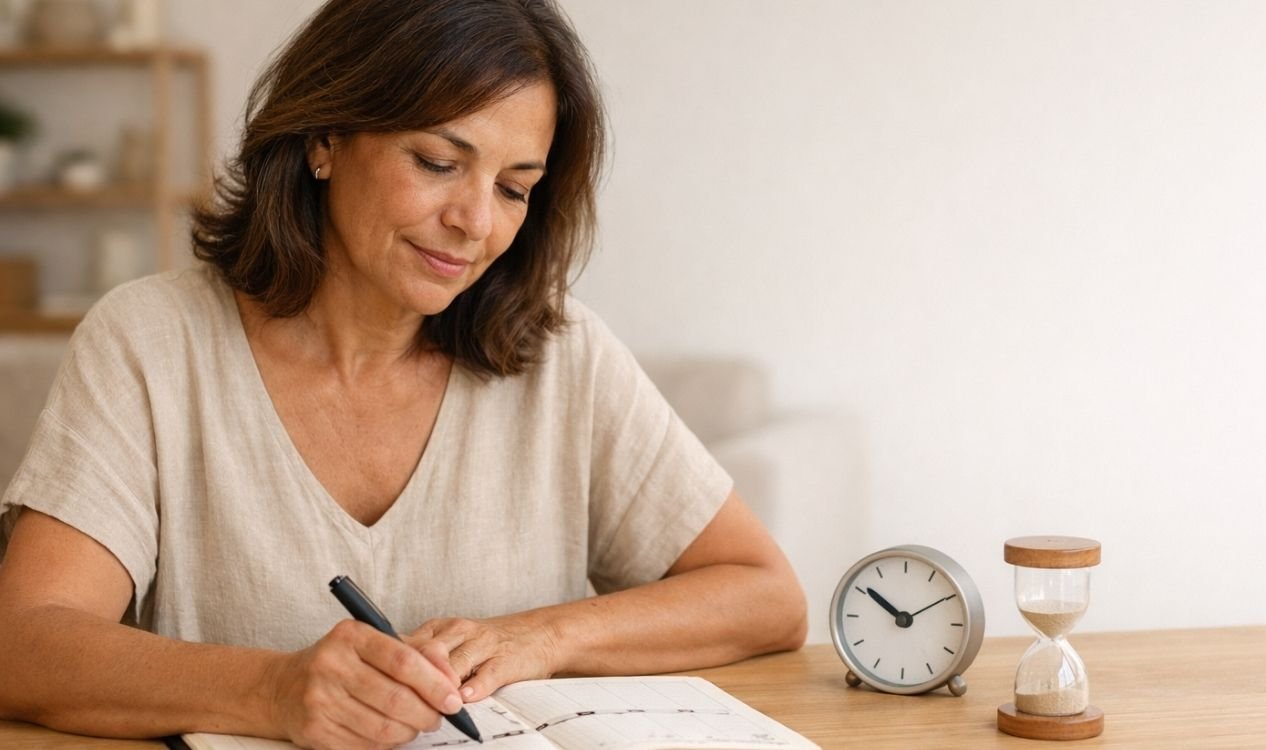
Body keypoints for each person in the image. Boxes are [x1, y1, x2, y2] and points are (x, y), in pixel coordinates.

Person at [0, 1, 807, 747]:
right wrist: (275, 690)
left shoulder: (560, 353)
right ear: (323, 138)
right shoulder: (151, 341)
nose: (476, 223)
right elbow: (25, 641)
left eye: (514, 188)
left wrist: (544, 635)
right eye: (436, 162)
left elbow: (765, 594)